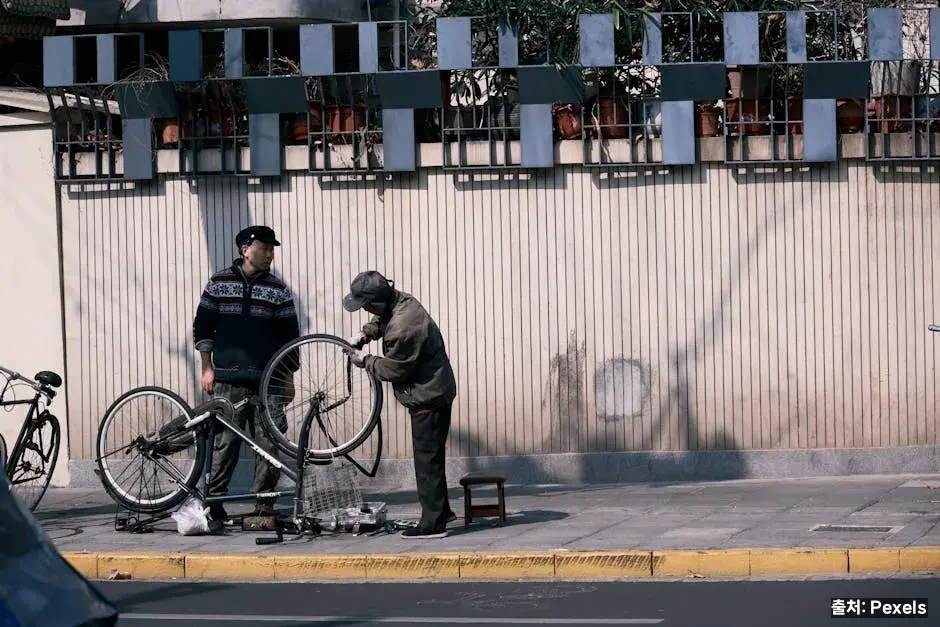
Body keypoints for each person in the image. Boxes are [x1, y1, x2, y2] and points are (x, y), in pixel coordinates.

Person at [192, 225, 299, 522]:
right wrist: (206, 367)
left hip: (269, 381)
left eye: (272, 249)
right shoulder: (219, 282)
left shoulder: (278, 289)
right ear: (245, 250)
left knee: (271, 442)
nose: (270, 255)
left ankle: (264, 504)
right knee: (225, 443)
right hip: (228, 379)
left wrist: (288, 378)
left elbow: (290, 337)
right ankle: (214, 502)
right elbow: (203, 326)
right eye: (265, 249)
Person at [342, 270, 458, 538]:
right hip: (434, 389)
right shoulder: (401, 301)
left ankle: (433, 524)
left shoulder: (403, 327)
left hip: (427, 396)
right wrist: (365, 333)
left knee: (426, 461)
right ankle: (442, 511)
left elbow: (394, 370)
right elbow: (383, 320)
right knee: (432, 457)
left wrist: (365, 361)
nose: (365, 309)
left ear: (376, 302)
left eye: (365, 305)